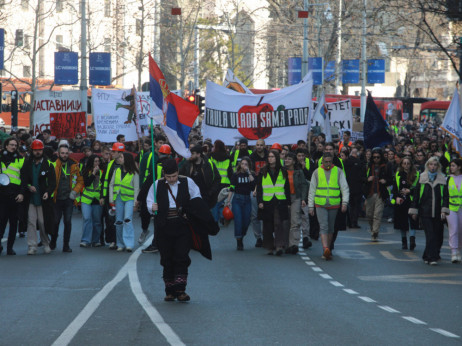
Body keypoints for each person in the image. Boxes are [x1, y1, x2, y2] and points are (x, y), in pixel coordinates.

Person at [147, 159, 218, 302]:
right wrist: (152, 208)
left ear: (178, 173)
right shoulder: (157, 185)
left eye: (174, 176)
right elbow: (149, 201)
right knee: (166, 258)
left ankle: (180, 290)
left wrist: (193, 211)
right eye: (168, 177)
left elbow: (197, 198)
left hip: (182, 225)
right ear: (164, 175)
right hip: (164, 226)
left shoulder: (188, 182)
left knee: (181, 256)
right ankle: (169, 290)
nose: (171, 179)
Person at [308, 153, 349, 260]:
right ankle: (325, 248)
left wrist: (344, 203)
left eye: (329, 162)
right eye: (325, 162)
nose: (327, 164)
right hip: (320, 204)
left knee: (331, 228)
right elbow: (312, 190)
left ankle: (328, 249)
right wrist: (311, 206)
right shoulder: (316, 172)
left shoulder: (338, 171)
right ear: (322, 162)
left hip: (334, 204)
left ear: (332, 162)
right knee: (323, 226)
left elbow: (344, 188)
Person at [409, 157, 449, 265]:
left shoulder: (442, 179)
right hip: (425, 211)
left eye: (435, 165)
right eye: (431, 164)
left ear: (438, 166)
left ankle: (426, 255)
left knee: (437, 236)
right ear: (427, 165)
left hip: (438, 212)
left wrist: (444, 210)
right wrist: (414, 210)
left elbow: (445, 196)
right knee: (430, 235)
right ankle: (432, 258)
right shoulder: (422, 178)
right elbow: (416, 195)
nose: (433, 167)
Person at [22, 139, 56, 255]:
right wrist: (28, 186)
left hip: (43, 199)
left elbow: (52, 182)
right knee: (31, 222)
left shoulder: (48, 164)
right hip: (31, 198)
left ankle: (46, 243)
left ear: (43, 150)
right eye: (35, 150)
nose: (37, 152)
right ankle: (32, 246)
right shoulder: (27, 163)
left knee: (42, 222)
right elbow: (23, 179)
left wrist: (48, 192)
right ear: (32, 150)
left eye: (39, 150)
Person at [50, 144, 84, 252]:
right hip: (56, 198)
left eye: (66, 153)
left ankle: (66, 245)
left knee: (68, 221)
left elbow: (80, 181)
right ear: (58, 153)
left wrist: (74, 192)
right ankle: (53, 240)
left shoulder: (74, 165)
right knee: (55, 221)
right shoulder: (54, 164)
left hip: (69, 198)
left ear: (69, 153)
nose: (64, 155)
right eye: (62, 153)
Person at [256, 149, 291, 256]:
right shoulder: (263, 171)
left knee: (279, 224)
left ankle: (279, 246)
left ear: (276, 158)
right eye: (269, 157)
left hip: (280, 201)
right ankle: (269, 247)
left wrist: (288, 202)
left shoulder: (283, 171)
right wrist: (260, 201)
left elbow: (286, 187)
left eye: (272, 157)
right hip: (267, 202)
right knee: (267, 225)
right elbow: (259, 188)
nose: (270, 158)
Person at [109, 152, 140, 252]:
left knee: (127, 220)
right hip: (118, 198)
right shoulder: (116, 170)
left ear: (127, 159)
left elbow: (136, 188)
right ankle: (120, 244)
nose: (119, 158)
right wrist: (111, 199)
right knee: (118, 221)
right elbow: (111, 185)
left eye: (121, 157)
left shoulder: (134, 173)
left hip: (130, 199)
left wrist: (136, 202)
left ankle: (129, 244)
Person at [0, 137, 25, 255]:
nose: (14, 147)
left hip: (15, 194)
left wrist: (21, 193)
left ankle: (10, 248)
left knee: (14, 222)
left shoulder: (21, 160)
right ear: (6, 146)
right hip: (2, 194)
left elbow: (25, 179)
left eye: (15, 145)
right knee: (1, 221)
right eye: (11, 145)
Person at [225, 157, 255, 250]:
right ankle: (239, 241)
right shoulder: (236, 175)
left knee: (246, 221)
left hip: (247, 199)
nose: (244, 166)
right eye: (242, 164)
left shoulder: (251, 174)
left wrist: (248, 172)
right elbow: (232, 188)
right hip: (237, 199)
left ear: (249, 165)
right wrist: (228, 200)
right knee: (238, 220)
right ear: (240, 165)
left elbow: (253, 185)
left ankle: (241, 235)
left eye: (246, 164)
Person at [391, 157, 420, 250]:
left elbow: (418, 188)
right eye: (404, 163)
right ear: (401, 165)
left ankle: (412, 240)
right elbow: (395, 188)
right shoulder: (398, 174)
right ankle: (404, 241)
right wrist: (396, 197)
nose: (406, 165)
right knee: (402, 222)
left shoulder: (416, 174)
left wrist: (409, 191)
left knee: (412, 221)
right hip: (401, 200)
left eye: (408, 163)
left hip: (412, 201)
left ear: (411, 164)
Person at [100, 142, 125, 249]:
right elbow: (105, 181)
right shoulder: (109, 165)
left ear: (119, 153)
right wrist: (102, 196)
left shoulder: (127, 165)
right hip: (110, 197)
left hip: (123, 197)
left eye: (114, 151)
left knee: (121, 220)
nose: (111, 153)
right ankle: (112, 240)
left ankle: (121, 240)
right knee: (110, 220)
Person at [179, 144, 220, 209]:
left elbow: (217, 179)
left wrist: (211, 192)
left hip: (204, 197)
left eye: (193, 154)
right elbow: (179, 175)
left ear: (198, 154)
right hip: (190, 197)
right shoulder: (187, 164)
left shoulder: (209, 165)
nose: (191, 155)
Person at [284, 152, 308, 254]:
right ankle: (284, 244)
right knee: (285, 222)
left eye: (289, 159)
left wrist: (303, 199)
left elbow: (304, 185)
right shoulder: (281, 171)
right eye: (286, 159)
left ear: (294, 161)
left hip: (296, 198)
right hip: (284, 198)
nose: (286, 161)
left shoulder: (299, 172)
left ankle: (294, 245)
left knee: (295, 222)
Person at [364, 148, 390, 242]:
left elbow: (391, 179)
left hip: (380, 194)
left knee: (377, 215)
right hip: (370, 193)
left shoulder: (386, 166)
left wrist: (385, 181)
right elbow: (361, 178)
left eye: (378, 157)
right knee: (369, 214)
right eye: (374, 157)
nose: (376, 159)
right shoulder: (368, 166)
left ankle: (375, 232)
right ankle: (373, 229)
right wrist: (367, 179)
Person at [80, 155, 104, 248]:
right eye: (95, 161)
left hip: (97, 199)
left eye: (98, 161)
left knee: (97, 221)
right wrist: (93, 173)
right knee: (87, 218)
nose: (97, 163)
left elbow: (103, 186)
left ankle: (95, 240)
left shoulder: (102, 172)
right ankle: (85, 240)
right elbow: (87, 183)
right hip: (87, 198)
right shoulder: (86, 171)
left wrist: (102, 197)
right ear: (91, 162)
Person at [249, 139, 268, 247]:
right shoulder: (252, 158)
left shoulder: (268, 156)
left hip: (268, 189)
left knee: (268, 215)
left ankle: (268, 235)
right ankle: (258, 237)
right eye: (257, 145)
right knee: (255, 215)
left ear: (264, 146)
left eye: (261, 145)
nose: (259, 147)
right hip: (254, 190)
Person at [209, 139, 233, 223]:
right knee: (222, 202)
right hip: (225, 182)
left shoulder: (211, 156)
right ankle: (222, 215)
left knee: (215, 202)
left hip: (215, 182)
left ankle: (215, 219)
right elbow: (230, 173)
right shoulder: (228, 158)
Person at [446, 158, 462, 263]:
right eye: (451, 166)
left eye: (453, 165)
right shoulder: (447, 179)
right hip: (451, 208)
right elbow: (445, 195)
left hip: (461, 208)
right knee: (454, 229)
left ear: (459, 167)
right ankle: (454, 252)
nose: (451, 168)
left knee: (460, 230)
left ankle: (459, 250)